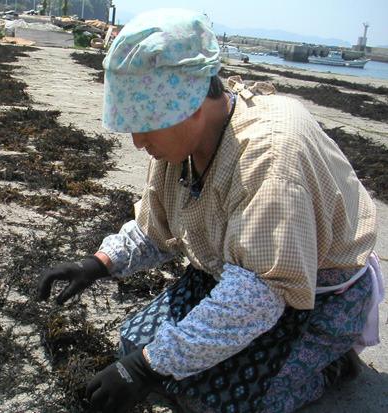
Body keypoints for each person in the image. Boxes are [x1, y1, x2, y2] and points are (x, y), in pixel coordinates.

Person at [37, 8, 384, 413]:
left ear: (192, 104)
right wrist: (97, 264)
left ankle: (330, 364)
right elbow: (157, 229)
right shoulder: (177, 146)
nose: (136, 141)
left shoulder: (269, 155)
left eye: (145, 125)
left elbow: (258, 296)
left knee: (221, 402)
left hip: (313, 295)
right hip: (233, 275)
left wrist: (147, 369)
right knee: (133, 344)